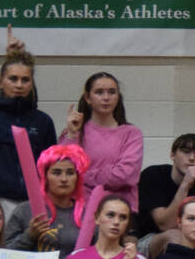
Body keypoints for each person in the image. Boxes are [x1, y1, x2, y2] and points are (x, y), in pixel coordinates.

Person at [0, 51, 57, 213]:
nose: (19, 85)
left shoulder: (43, 121)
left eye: (25, 80)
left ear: (31, 84)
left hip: (34, 202)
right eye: (13, 79)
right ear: (0, 82)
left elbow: (50, 168)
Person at [59, 74, 143, 242]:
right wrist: (73, 134)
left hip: (120, 214)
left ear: (118, 97)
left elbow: (125, 176)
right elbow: (63, 172)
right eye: (99, 92)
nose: (106, 97)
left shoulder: (131, 134)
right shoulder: (73, 132)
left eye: (112, 92)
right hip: (80, 213)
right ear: (88, 98)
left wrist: (85, 175)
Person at [5, 146, 86, 259]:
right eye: (56, 173)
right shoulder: (24, 210)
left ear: (77, 177)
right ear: (45, 177)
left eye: (70, 173)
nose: (64, 179)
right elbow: (5, 254)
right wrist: (29, 236)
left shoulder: (87, 214)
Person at [134, 137, 195, 240]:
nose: (192, 158)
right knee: (174, 235)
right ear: (173, 155)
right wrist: (185, 185)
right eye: (186, 152)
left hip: (191, 239)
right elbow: (165, 225)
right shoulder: (153, 175)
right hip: (149, 238)